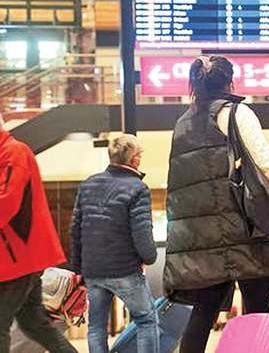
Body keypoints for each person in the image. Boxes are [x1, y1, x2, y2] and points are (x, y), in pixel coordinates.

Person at [164, 56, 269, 353]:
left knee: (203, 312)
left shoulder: (183, 123)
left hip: (201, 237)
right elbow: (265, 162)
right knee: (262, 307)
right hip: (241, 229)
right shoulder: (236, 112)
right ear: (230, 82)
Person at [70, 135, 159, 353]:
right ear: (134, 160)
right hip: (125, 269)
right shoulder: (137, 188)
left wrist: (78, 268)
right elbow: (141, 232)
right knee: (146, 321)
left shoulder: (89, 184)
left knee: (96, 327)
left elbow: (75, 229)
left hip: (93, 270)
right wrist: (149, 257)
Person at [0, 113, 78, 353]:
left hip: (18, 258)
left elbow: (6, 203)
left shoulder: (13, 153)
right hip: (20, 257)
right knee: (34, 324)